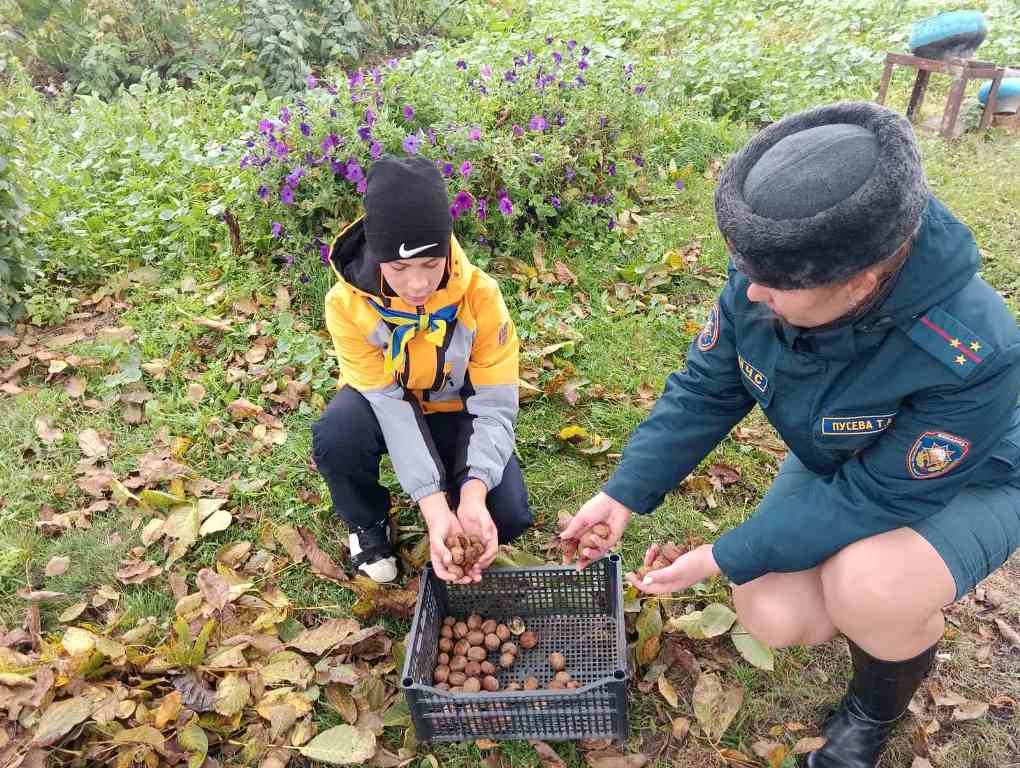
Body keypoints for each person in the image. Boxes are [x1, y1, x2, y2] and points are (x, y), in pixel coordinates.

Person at [561, 102, 1020, 767]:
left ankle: (874, 709)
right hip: (844, 460)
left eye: (771, 285)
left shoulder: (969, 348)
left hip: (974, 480)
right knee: (772, 609)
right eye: (750, 273)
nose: (750, 294)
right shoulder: (776, 268)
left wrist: (721, 554)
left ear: (858, 283)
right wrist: (623, 493)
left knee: (869, 586)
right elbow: (707, 387)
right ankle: (866, 602)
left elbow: (878, 496)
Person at [312, 155, 531, 584]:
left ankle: (466, 474)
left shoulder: (482, 297)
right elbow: (389, 406)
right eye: (399, 268)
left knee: (506, 517)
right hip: (385, 409)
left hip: (454, 410)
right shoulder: (345, 305)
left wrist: (473, 493)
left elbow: (494, 405)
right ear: (378, 256)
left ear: (447, 246)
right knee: (338, 433)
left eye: (431, 264)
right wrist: (433, 507)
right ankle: (368, 522)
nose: (417, 284)